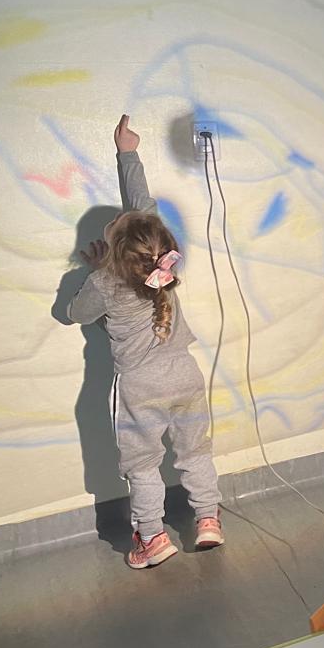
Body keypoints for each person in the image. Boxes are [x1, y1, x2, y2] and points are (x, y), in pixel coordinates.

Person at [67, 115, 224, 568]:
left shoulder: (105, 281)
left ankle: (152, 538)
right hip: (185, 374)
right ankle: (208, 518)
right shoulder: (163, 261)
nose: (120, 216)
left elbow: (75, 314)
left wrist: (95, 271)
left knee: (142, 465)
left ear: (114, 249)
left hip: (140, 386)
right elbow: (142, 207)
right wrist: (127, 152)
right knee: (195, 452)